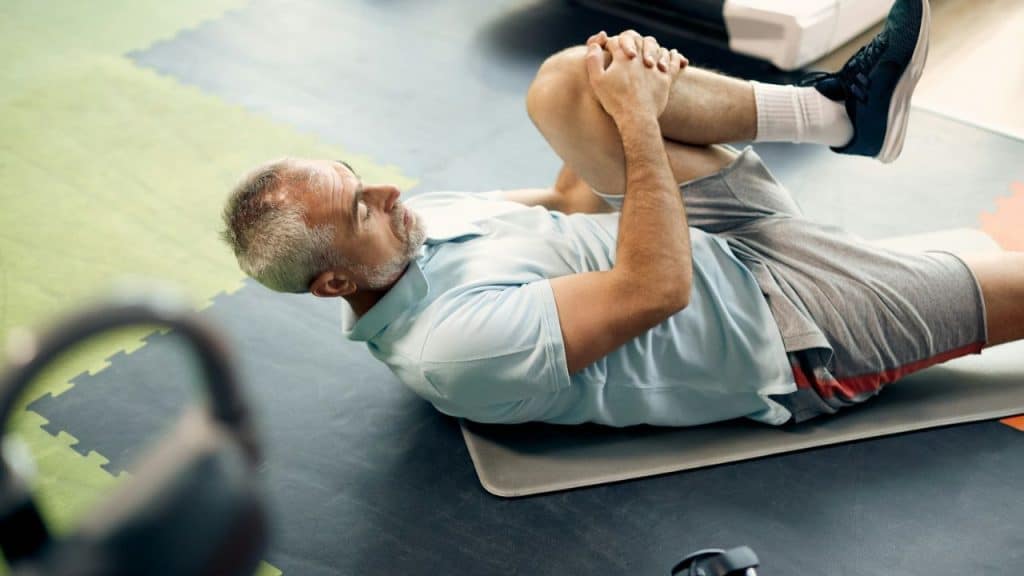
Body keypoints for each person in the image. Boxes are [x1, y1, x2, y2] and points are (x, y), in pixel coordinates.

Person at [221, 0, 1023, 427]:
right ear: (333, 283)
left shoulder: (408, 232)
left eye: (364, 179)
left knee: (566, 80)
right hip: (791, 331)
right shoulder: (451, 350)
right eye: (363, 206)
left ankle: (838, 115)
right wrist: (638, 119)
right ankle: (834, 120)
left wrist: (613, 90)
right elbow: (656, 290)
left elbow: (572, 201)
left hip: (715, 234)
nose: (391, 192)